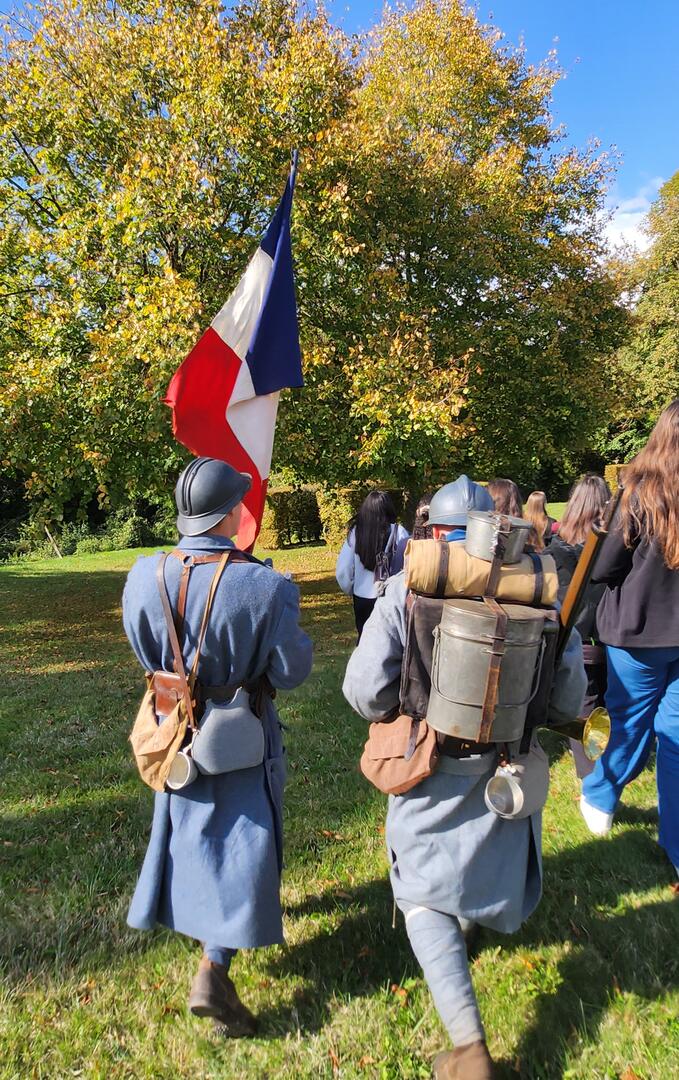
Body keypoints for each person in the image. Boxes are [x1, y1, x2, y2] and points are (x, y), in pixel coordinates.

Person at [343, 475, 586, 1079]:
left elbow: (365, 691)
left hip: (429, 767)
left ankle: (469, 1047)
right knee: (472, 875)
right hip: (507, 775)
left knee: (421, 895)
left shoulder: (404, 590)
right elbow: (567, 700)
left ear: (437, 532)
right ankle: (466, 928)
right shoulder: (542, 593)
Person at [122, 457, 313, 1036]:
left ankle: (211, 953)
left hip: (175, 730)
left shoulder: (141, 576)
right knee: (242, 847)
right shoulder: (266, 586)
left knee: (188, 830)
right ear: (232, 513)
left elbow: (145, 654)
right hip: (241, 736)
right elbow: (290, 673)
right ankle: (214, 965)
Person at [580, 401, 679, 885]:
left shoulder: (639, 491)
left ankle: (598, 795)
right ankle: (673, 841)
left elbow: (603, 568)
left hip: (637, 631)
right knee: (673, 738)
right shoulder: (640, 491)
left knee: (629, 725)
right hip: (655, 633)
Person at [549, 474, 611, 778]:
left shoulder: (555, 550)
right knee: (602, 707)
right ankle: (596, 778)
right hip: (606, 640)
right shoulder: (614, 548)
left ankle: (591, 776)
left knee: (583, 708)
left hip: (577, 643)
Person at [335, 490, 409, 639]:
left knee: (365, 641)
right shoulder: (399, 532)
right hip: (391, 596)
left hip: (362, 598)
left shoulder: (356, 532)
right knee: (390, 641)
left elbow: (343, 571)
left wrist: (353, 589)